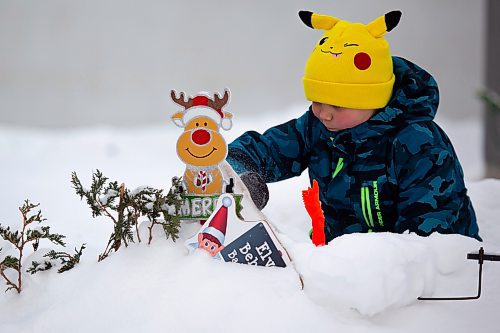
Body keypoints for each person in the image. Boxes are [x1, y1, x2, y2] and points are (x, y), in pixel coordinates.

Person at [226, 10, 481, 243]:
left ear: (374, 100)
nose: (324, 114)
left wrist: (367, 269)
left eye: (338, 106)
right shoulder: (317, 128)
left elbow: (429, 233)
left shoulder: (418, 144)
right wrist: (237, 173)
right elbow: (266, 149)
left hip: (421, 273)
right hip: (344, 263)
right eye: (317, 101)